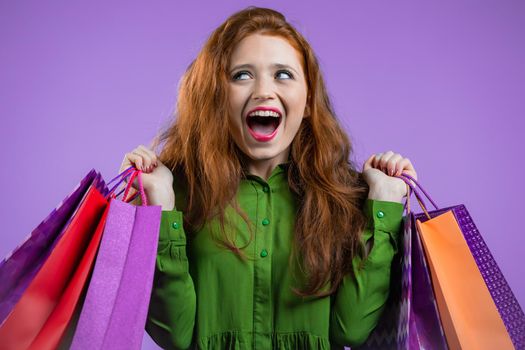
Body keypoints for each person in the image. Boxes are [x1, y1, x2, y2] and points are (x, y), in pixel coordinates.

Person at [119, 6, 417, 350]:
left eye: (283, 75)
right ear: (218, 96)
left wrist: (384, 202)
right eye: (242, 75)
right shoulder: (181, 194)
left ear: (307, 101)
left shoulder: (345, 197)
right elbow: (176, 335)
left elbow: (350, 330)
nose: (263, 90)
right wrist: (160, 208)